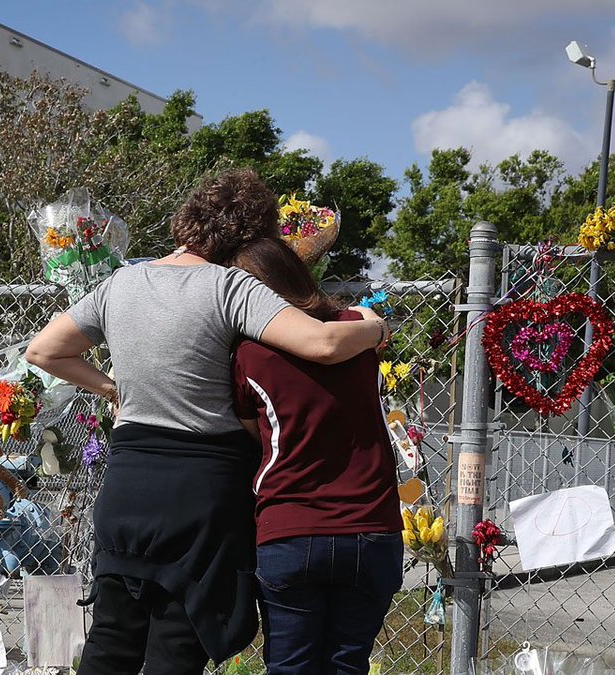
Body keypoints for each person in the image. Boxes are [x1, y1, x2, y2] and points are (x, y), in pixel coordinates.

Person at [24, 169, 388, 675]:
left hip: (128, 481)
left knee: (112, 636)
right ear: (250, 235)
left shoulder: (121, 283)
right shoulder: (230, 286)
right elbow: (322, 344)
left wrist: (113, 389)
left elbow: (43, 350)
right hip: (201, 490)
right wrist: (373, 328)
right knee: (177, 640)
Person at [230, 237, 404, 675]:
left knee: (290, 666)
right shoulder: (358, 333)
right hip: (371, 525)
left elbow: (257, 434)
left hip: (291, 526)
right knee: (348, 664)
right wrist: (372, 323)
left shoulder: (248, 354)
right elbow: (370, 321)